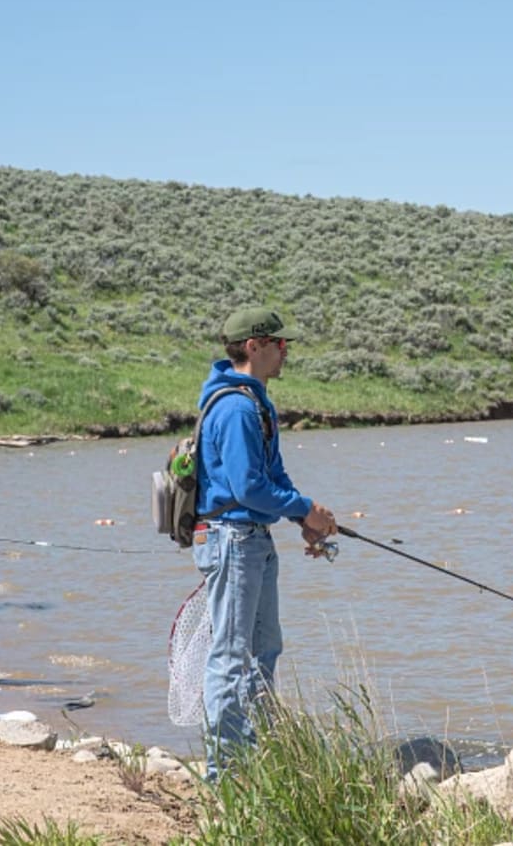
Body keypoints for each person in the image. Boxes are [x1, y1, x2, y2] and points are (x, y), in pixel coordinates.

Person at [193, 306, 338, 779]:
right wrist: (305, 509)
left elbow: (273, 476)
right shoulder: (236, 408)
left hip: (252, 540)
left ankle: (259, 761)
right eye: (279, 343)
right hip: (232, 541)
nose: (286, 350)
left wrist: (304, 519)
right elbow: (248, 488)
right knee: (231, 658)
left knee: (264, 651)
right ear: (254, 346)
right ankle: (226, 775)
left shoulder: (257, 403)